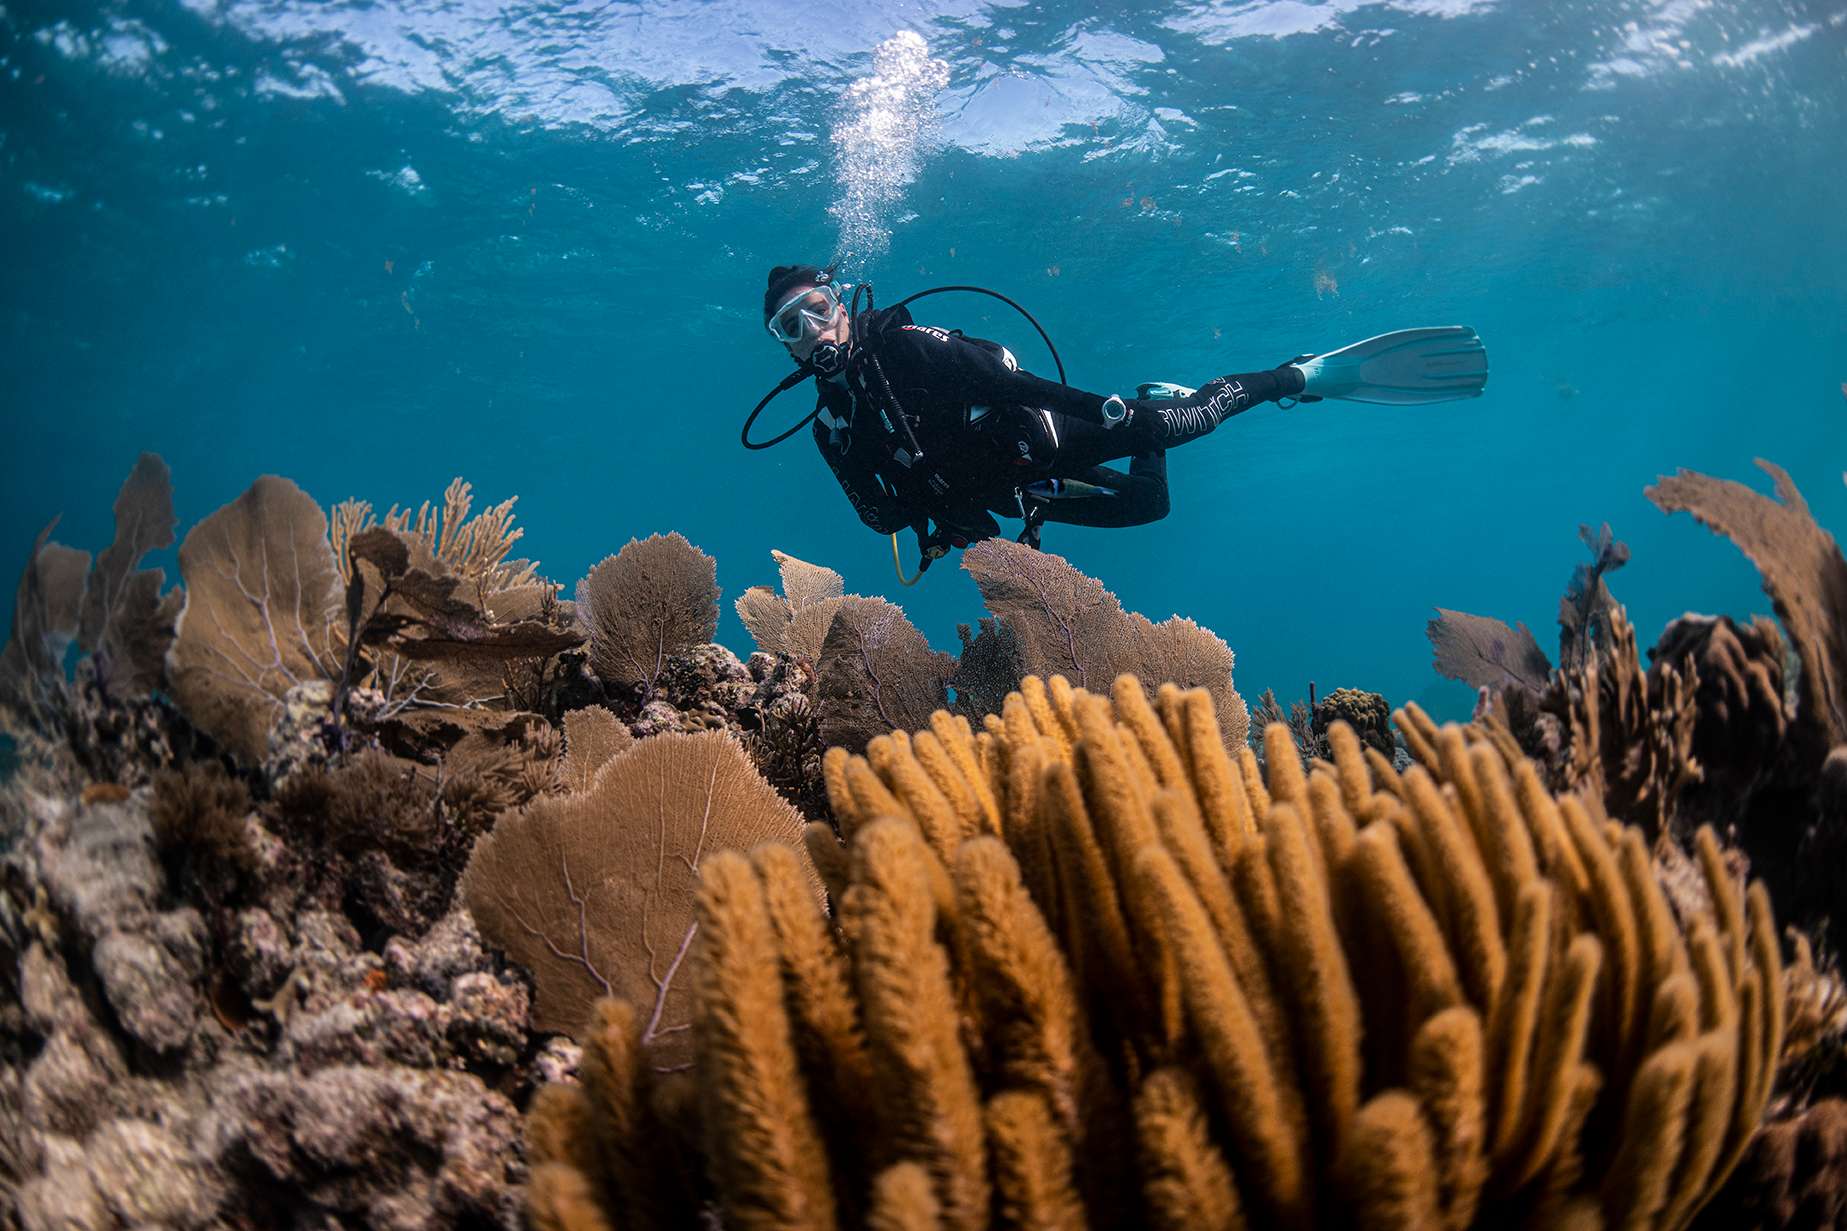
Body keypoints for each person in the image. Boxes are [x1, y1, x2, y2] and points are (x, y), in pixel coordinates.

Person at [759, 262, 1486, 565]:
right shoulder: (829, 421)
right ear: (785, 349)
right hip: (1003, 491)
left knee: (1177, 424)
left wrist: (1109, 413)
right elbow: (880, 516)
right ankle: (1156, 417)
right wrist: (936, 518)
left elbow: (1018, 386)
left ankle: (1293, 375)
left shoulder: (908, 346)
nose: (813, 333)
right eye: (790, 329)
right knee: (1146, 506)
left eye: (818, 311)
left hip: (1040, 435)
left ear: (841, 303)